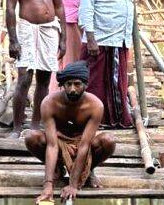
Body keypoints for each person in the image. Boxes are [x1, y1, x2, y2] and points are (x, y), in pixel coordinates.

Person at [24, 61, 116, 203]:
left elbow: (85, 145)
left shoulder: (95, 105)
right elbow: (52, 145)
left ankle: (89, 170)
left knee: (108, 141)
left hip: (83, 145)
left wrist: (73, 185)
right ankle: (57, 169)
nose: (72, 89)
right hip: (58, 143)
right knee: (31, 137)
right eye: (68, 84)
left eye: (77, 84)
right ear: (62, 85)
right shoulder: (49, 103)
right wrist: (48, 185)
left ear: (85, 84)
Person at [6, 0, 67, 138]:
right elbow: (9, 8)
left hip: (49, 29)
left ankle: (35, 125)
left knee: (44, 77)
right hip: (26, 28)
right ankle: (16, 127)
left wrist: (63, 38)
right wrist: (13, 39)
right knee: (24, 77)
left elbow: (59, 6)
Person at [78, 0, 139, 128]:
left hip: (120, 38)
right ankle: (96, 119)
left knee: (117, 82)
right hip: (101, 38)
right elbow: (86, 9)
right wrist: (91, 38)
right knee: (96, 83)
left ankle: (116, 119)